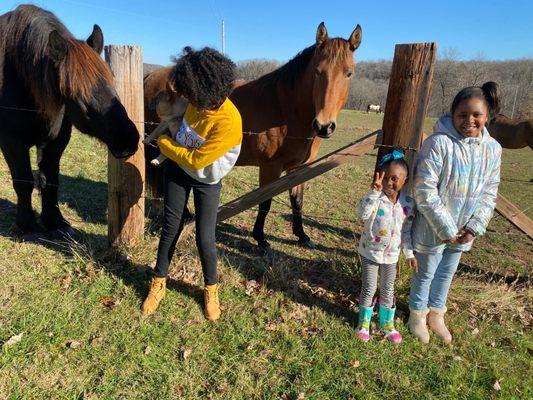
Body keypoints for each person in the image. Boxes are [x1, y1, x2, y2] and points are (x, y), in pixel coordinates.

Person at [141, 47, 242, 320]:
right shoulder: (195, 102)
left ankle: (211, 289)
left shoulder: (229, 122)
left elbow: (197, 160)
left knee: (204, 236)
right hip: (178, 171)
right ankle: (158, 282)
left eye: (189, 92)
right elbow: (180, 129)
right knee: (169, 226)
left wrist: (162, 143)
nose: (186, 97)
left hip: (207, 180)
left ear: (206, 88)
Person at [408, 82, 502, 343]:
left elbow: (489, 192)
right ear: (452, 113)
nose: (469, 121)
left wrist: (474, 227)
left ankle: (437, 314)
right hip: (433, 226)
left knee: (446, 273)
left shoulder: (493, 149)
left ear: (487, 116)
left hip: (464, 231)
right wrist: (446, 228)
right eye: (462, 115)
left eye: (476, 115)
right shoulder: (438, 144)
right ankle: (417, 314)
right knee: (425, 273)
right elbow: (424, 189)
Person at [357, 150, 417, 343]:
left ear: (404, 180)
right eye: (386, 178)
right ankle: (364, 322)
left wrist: (409, 254)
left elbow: (406, 232)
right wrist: (373, 193)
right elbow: (363, 215)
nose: (389, 183)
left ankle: (386, 323)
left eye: (395, 179)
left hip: (391, 257)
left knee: (388, 288)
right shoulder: (375, 199)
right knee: (369, 287)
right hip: (370, 253)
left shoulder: (407, 204)